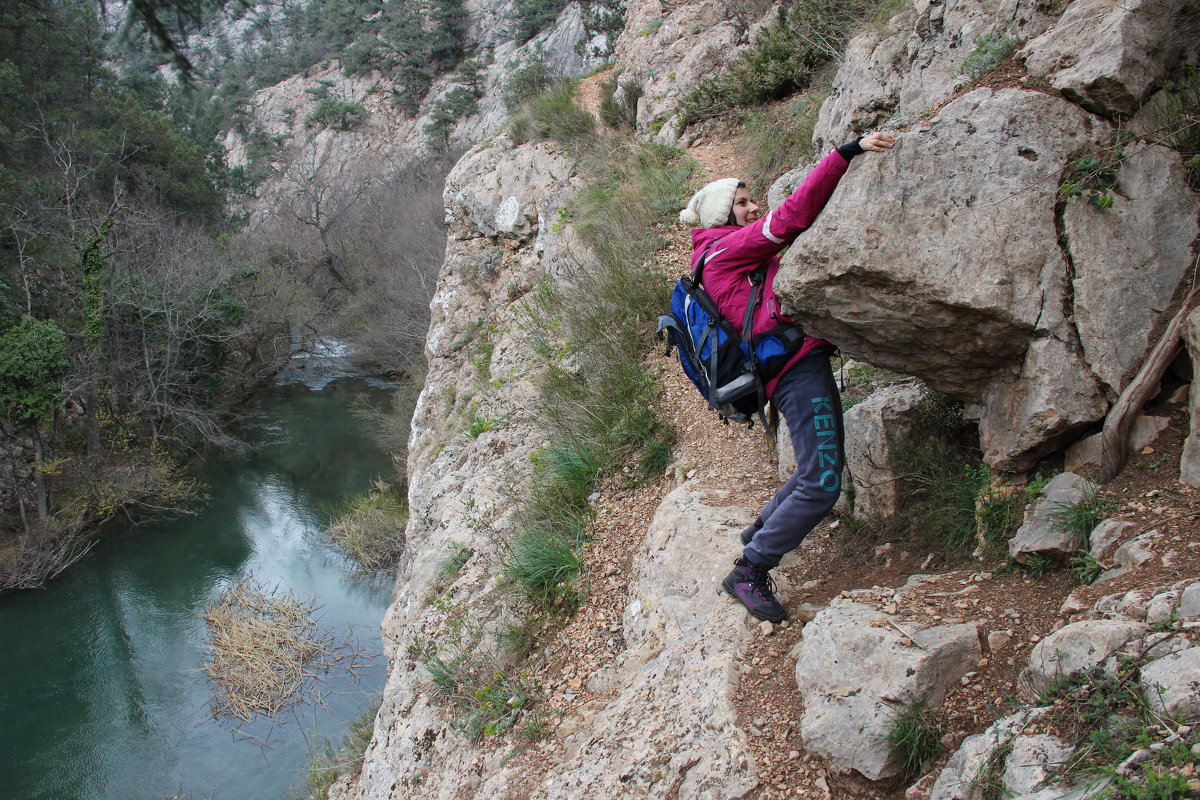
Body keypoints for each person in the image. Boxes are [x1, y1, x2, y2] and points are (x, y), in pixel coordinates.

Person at [677, 131, 896, 623]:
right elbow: (791, 218)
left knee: (810, 470)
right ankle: (749, 570)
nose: (753, 207)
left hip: (787, 369)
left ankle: (759, 535)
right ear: (720, 215)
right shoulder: (727, 251)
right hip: (796, 371)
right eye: (742, 202)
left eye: (751, 200)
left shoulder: (712, 255)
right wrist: (846, 154)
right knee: (821, 482)